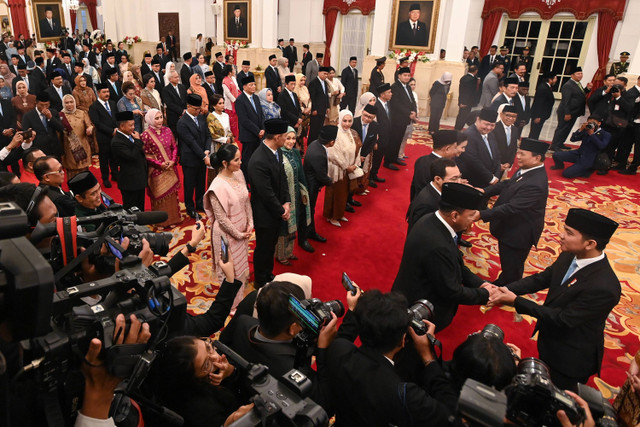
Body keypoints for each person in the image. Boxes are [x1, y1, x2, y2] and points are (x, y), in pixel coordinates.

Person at [488, 208, 621, 391]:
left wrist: (515, 301)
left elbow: (564, 319)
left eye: (569, 233)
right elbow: (542, 279)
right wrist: (506, 289)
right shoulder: (569, 254)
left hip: (570, 357)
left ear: (590, 244)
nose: (561, 235)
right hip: (550, 339)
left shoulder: (604, 286)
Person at [326, 289, 457, 426]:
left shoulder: (338, 351)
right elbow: (451, 415)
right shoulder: (404, 394)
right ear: (402, 341)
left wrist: (353, 310)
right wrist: (428, 356)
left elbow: (343, 338)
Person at [392, 183, 494, 332]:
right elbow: (451, 291)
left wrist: (480, 283)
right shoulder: (438, 245)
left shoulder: (433, 219)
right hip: (421, 309)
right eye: (471, 215)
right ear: (454, 215)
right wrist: (485, 294)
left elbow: (456, 263)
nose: (474, 220)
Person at [477, 138, 549, 285]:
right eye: (518, 153)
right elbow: (507, 184)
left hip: (519, 231)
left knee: (512, 266)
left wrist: (481, 214)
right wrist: (483, 191)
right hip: (510, 225)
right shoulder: (527, 169)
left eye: (522, 154)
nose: (518, 157)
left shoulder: (536, 183)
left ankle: (508, 290)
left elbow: (512, 208)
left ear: (537, 158)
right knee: (507, 261)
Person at [202, 143, 252, 308]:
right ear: (225, 163)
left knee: (241, 268)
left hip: (241, 231)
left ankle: (239, 300)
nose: (240, 163)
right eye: (236, 160)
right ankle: (229, 305)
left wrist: (250, 223)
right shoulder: (217, 186)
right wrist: (238, 234)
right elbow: (221, 219)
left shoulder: (239, 174)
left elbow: (246, 201)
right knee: (229, 272)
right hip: (225, 236)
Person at [248, 118, 291, 287]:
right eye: (285, 137)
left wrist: (286, 201)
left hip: (277, 209)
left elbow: (283, 177)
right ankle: (260, 279)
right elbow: (265, 193)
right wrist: (281, 210)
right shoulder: (258, 160)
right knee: (264, 247)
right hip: (265, 213)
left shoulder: (276, 151)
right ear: (277, 137)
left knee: (271, 245)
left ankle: (268, 274)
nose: (287, 140)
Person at [277, 127, 312, 263]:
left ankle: (289, 252)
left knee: (294, 223)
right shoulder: (278, 154)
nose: (291, 141)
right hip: (283, 197)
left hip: (296, 195)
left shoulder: (296, 153)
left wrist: (304, 192)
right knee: (283, 227)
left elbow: (301, 175)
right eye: (288, 138)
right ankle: (280, 255)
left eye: (293, 138)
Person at [141, 108, 181, 226]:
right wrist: (159, 164)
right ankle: (161, 222)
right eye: (156, 118)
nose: (159, 121)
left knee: (171, 195)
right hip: (156, 170)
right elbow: (146, 155)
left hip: (170, 167)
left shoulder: (168, 130)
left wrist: (173, 160)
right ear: (149, 120)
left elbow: (174, 147)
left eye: (161, 118)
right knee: (159, 196)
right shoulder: (146, 135)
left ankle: (173, 219)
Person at [324, 109, 360, 227]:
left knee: (343, 193)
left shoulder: (351, 132)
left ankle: (339, 214)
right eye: (344, 121)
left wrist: (355, 164)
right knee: (334, 193)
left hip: (348, 169)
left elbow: (356, 148)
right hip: (337, 169)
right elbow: (333, 152)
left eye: (350, 121)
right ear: (340, 120)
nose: (347, 124)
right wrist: (346, 166)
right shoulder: (335, 133)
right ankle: (332, 216)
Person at [178, 94, 211, 218]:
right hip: (190, 158)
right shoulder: (182, 122)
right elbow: (191, 142)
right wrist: (204, 156)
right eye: (196, 109)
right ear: (188, 107)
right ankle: (189, 207)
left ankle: (200, 203)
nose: (198, 111)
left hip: (202, 156)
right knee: (190, 184)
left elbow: (208, 135)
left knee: (201, 182)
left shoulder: (201, 118)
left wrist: (207, 149)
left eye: (199, 109)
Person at [407, 158, 462, 231]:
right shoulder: (427, 204)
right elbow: (421, 232)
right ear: (438, 179)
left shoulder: (439, 190)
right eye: (454, 178)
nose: (459, 182)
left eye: (459, 177)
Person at [303, 125, 336, 244]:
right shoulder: (318, 153)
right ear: (332, 141)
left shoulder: (315, 144)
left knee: (310, 210)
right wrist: (331, 181)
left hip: (311, 183)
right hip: (311, 186)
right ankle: (306, 235)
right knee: (309, 210)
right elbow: (321, 175)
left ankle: (310, 231)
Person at [409, 129, 461, 202]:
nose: (456, 151)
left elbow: (413, 187)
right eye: (455, 147)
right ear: (447, 149)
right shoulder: (442, 167)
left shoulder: (421, 159)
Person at [111, 110, 147, 211]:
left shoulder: (130, 135)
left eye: (133, 124)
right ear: (122, 126)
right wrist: (138, 141)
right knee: (131, 210)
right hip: (130, 182)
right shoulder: (117, 142)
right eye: (130, 125)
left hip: (139, 178)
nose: (133, 127)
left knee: (140, 207)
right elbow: (131, 156)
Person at [457, 108, 501, 188]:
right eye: (486, 124)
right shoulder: (469, 135)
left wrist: (497, 175)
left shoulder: (491, 134)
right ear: (478, 120)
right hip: (472, 180)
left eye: (492, 125)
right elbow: (472, 160)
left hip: (488, 179)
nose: (489, 128)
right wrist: (490, 178)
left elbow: (497, 156)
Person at [551, 66, 592, 151]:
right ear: (572, 75)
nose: (580, 75)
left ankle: (560, 143)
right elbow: (566, 101)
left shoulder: (577, 83)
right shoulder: (568, 85)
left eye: (581, 73)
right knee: (562, 128)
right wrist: (567, 113)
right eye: (578, 74)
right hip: (567, 112)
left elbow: (579, 95)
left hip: (574, 111)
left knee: (567, 129)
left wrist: (587, 89)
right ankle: (554, 145)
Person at [89, 82, 118, 188]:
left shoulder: (112, 103)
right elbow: (97, 123)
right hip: (103, 137)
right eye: (104, 92)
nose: (107, 94)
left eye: (108, 91)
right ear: (98, 93)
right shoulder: (94, 106)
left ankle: (115, 174)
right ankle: (105, 178)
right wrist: (111, 131)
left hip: (115, 136)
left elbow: (116, 117)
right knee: (104, 159)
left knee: (114, 157)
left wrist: (117, 129)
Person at [386, 67, 415, 170]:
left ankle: (395, 158)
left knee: (399, 139)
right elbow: (396, 104)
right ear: (399, 76)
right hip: (397, 118)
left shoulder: (407, 86)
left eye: (408, 75)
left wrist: (414, 111)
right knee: (393, 140)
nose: (407, 77)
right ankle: (388, 161)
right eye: (405, 75)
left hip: (405, 118)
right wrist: (408, 113)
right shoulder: (395, 87)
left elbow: (412, 100)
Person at [235, 75, 265, 178]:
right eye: (251, 85)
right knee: (247, 159)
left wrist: (262, 129)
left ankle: (254, 178)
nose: (254, 87)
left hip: (259, 134)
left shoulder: (256, 98)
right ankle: (245, 179)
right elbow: (244, 120)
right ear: (244, 87)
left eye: (254, 84)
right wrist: (257, 131)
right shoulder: (240, 100)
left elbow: (260, 115)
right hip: (248, 135)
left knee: (257, 159)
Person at [59, 94, 93, 179]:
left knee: (84, 170)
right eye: (67, 103)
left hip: (83, 145)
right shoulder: (60, 116)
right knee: (73, 171)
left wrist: (90, 129)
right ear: (63, 104)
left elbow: (89, 125)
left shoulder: (82, 113)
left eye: (71, 102)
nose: (69, 104)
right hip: (69, 148)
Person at [22, 91, 64, 157]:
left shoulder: (54, 112)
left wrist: (51, 118)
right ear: (36, 103)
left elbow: (60, 128)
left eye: (47, 105)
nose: (44, 107)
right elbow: (26, 134)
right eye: (41, 105)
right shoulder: (28, 116)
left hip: (54, 149)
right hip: (38, 150)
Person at [492, 105, 520, 173]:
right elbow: (492, 148)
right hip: (492, 164)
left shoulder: (515, 130)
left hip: (505, 166)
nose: (510, 118)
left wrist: (509, 163)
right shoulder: (494, 128)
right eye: (508, 115)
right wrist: (498, 164)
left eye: (514, 116)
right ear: (501, 115)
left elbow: (514, 148)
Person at [529, 72, 557, 139]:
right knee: (534, 132)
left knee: (536, 132)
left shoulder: (547, 87)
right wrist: (537, 116)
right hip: (538, 115)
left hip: (542, 115)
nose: (556, 80)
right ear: (550, 79)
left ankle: (533, 144)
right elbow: (539, 103)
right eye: (555, 78)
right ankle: (530, 145)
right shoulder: (543, 88)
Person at [163, 70, 187, 137]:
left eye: (178, 77)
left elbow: (185, 99)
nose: (177, 79)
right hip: (173, 117)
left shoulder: (182, 87)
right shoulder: (166, 90)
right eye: (175, 77)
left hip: (184, 116)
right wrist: (181, 111)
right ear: (170, 79)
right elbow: (170, 104)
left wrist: (185, 110)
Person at [455, 65, 480, 130]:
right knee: (463, 117)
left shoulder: (464, 77)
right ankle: (458, 129)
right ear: (476, 71)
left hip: (462, 101)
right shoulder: (471, 80)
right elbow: (468, 93)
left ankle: (457, 128)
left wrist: (461, 101)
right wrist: (464, 102)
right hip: (466, 102)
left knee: (460, 115)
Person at [293, 73, 311, 152]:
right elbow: (297, 103)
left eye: (304, 80)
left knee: (304, 132)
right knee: (299, 133)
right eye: (301, 80)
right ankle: (298, 150)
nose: (303, 82)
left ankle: (302, 148)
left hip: (307, 114)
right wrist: (303, 110)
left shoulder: (305, 88)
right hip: (301, 114)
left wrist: (309, 108)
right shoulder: (295, 89)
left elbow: (309, 99)